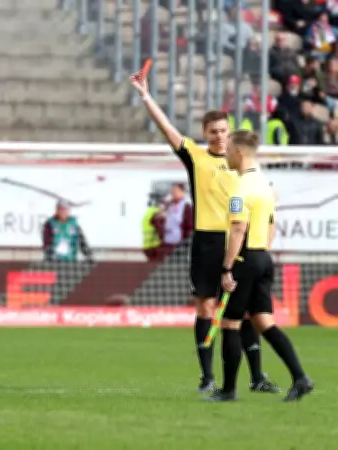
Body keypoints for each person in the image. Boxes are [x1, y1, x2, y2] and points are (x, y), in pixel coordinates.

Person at [130, 71, 280, 394]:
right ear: (204, 133)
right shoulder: (196, 157)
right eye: (213, 131)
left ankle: (257, 378)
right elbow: (167, 129)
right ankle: (208, 377)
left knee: (245, 310)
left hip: (239, 240)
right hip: (207, 242)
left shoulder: (244, 163)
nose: (219, 136)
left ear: (230, 131)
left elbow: (263, 202)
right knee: (206, 307)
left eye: (223, 130)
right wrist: (145, 96)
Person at [208, 130, 314, 402]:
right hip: (264, 257)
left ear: (239, 152)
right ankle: (300, 377)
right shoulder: (266, 186)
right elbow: (270, 226)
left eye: (228, 149)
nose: (226, 154)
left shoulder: (240, 188)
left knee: (230, 324)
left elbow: (238, 229)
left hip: (245, 259)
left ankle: (228, 391)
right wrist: (260, 255)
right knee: (264, 322)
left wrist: (227, 268)